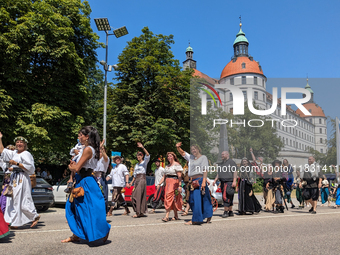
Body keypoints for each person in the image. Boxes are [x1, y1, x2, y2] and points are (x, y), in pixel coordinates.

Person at [62, 126, 110, 243]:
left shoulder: (88, 149)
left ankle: (104, 229)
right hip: (83, 180)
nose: (79, 137)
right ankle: (77, 234)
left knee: (88, 209)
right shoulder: (88, 149)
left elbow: (78, 168)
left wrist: (71, 166)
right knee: (75, 208)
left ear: (87, 137)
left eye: (80, 135)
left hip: (85, 181)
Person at [0, 132, 40, 228]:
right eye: (17, 142)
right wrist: (0, 138)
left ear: (25, 144)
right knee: (12, 200)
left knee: (21, 200)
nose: (19, 144)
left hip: (22, 178)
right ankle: (14, 222)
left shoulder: (26, 154)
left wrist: (16, 164)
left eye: (21, 142)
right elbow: (2, 151)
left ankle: (33, 216)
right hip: (13, 178)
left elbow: (30, 167)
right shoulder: (14, 153)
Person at [176, 142, 213, 225]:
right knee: (192, 200)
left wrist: (204, 181)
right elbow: (183, 153)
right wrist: (178, 147)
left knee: (199, 200)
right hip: (192, 182)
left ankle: (196, 219)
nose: (193, 150)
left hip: (200, 180)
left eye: (195, 149)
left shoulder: (203, 158)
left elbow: (205, 170)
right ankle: (207, 214)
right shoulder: (191, 158)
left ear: (198, 149)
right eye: (192, 149)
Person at [158, 152, 183, 222]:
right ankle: (176, 215)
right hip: (168, 183)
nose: (169, 157)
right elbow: (164, 176)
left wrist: (180, 186)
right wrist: (159, 184)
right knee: (171, 199)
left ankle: (167, 216)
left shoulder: (177, 165)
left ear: (174, 157)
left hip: (174, 183)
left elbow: (180, 177)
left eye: (170, 156)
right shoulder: (167, 166)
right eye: (168, 156)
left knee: (170, 198)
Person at [128, 142, 150, 218]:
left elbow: (148, 155)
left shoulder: (144, 163)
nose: (138, 157)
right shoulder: (136, 165)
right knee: (134, 196)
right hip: (137, 180)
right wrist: (131, 182)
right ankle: (140, 212)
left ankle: (138, 212)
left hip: (142, 179)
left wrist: (142, 147)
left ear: (142, 156)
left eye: (140, 155)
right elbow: (134, 175)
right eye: (137, 155)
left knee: (137, 196)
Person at [213, 151, 237, 218]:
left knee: (226, 197)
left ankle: (226, 212)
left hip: (229, 182)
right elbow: (219, 173)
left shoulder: (231, 162)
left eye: (223, 154)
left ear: (227, 154)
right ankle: (230, 211)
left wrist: (234, 181)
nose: (222, 156)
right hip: (223, 182)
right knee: (228, 197)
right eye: (221, 154)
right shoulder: (221, 164)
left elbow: (235, 171)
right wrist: (215, 180)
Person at [238, 148, 262, 215]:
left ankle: (252, 208)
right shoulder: (241, 168)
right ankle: (243, 209)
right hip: (242, 183)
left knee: (249, 196)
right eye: (243, 161)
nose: (244, 162)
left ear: (247, 162)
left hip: (248, 183)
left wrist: (251, 152)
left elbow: (254, 160)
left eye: (245, 161)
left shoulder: (250, 166)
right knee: (242, 197)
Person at [93, 143, 109, 210]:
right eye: (99, 151)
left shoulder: (105, 159)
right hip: (94, 177)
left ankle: (104, 212)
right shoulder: (95, 160)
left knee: (103, 196)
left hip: (101, 177)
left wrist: (102, 148)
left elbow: (105, 157)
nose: (100, 152)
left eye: (101, 151)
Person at [0, 145, 15, 214]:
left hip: (13, 185)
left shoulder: (16, 163)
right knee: (3, 201)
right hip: (6, 186)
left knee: (10, 202)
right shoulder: (5, 165)